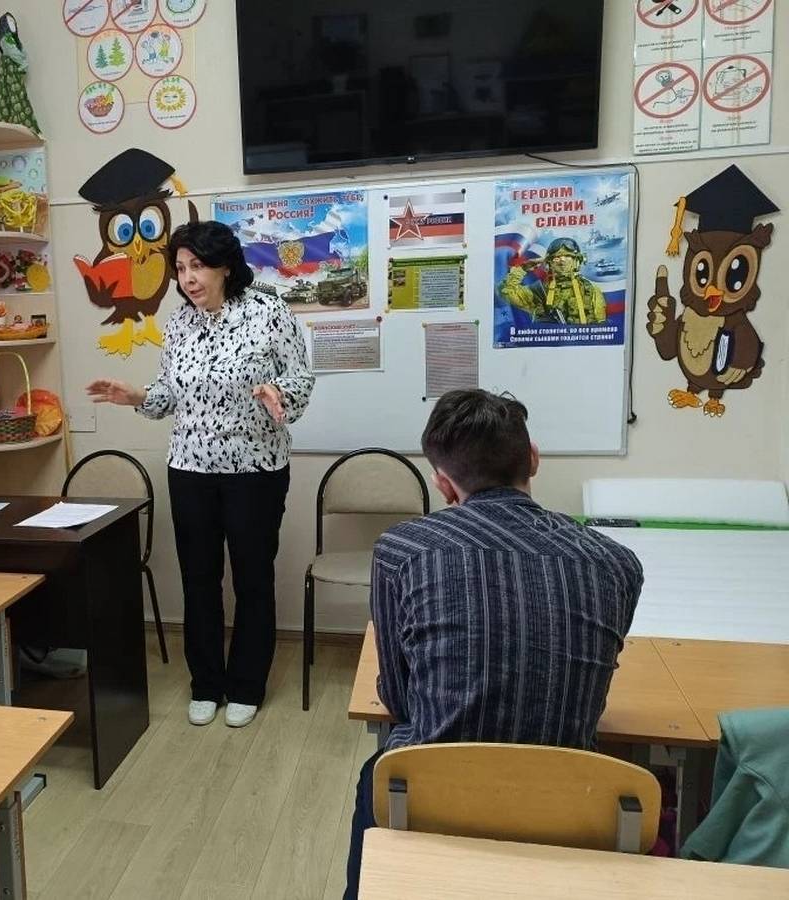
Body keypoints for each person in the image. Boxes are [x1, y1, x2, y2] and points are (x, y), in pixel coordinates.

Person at [343, 389, 643, 898]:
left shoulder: (402, 550)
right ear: (533, 459)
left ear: (443, 484)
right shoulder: (617, 563)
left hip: (435, 799)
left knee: (377, 770)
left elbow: (396, 698)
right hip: (572, 804)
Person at [87, 220, 315, 729]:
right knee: (199, 578)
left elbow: (301, 377)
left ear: (225, 266)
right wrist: (137, 396)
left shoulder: (269, 311)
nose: (188, 278)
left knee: (252, 578)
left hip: (255, 467)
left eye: (198, 266)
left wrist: (280, 394)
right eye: (181, 268)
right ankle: (206, 683)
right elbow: (169, 394)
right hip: (190, 467)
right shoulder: (179, 322)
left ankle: (247, 685)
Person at [498, 237, 606, 325]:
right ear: (550, 263)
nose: (562, 260)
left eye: (567, 256)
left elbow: (601, 327)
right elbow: (505, 291)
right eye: (557, 257)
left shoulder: (591, 290)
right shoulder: (539, 292)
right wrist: (522, 269)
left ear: (576, 260)